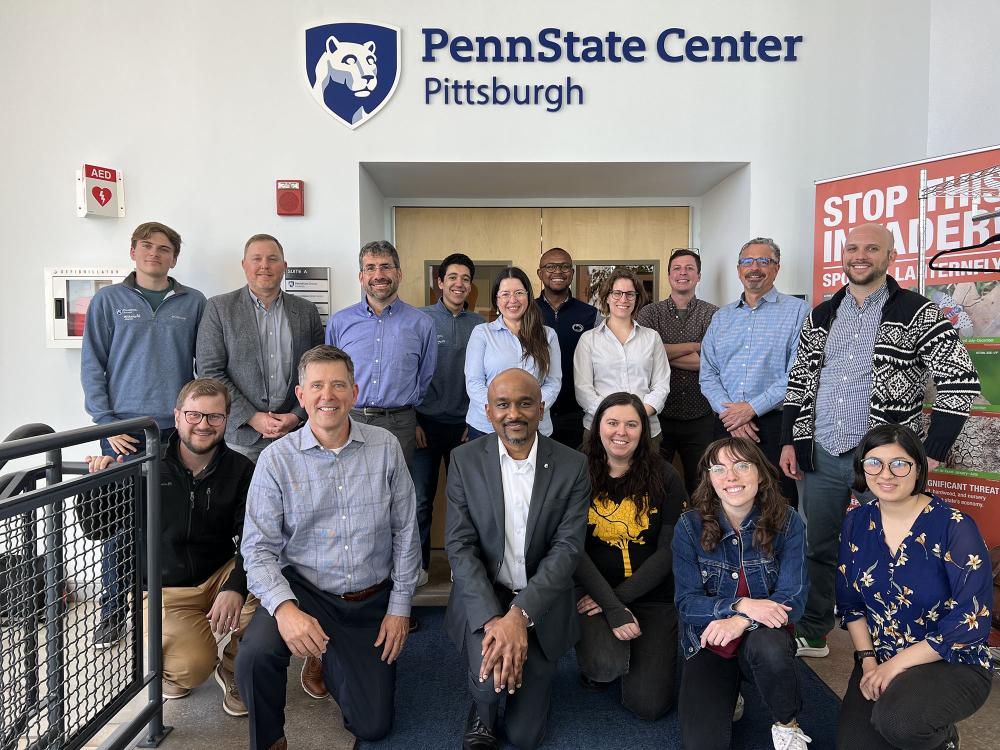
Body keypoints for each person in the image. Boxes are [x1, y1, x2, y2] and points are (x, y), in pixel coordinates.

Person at [780, 222, 981, 659]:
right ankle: (815, 629)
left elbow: (960, 381)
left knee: (894, 550)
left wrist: (933, 450)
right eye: (853, 248)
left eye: (872, 248)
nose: (860, 255)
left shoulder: (918, 311)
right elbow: (799, 382)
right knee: (818, 546)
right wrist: (791, 440)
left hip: (885, 459)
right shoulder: (821, 315)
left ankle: (891, 639)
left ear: (891, 256)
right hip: (823, 449)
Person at [236, 346, 420, 750]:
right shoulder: (275, 460)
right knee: (255, 656)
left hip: (368, 599)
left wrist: (400, 607)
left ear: (354, 392)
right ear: (300, 397)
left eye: (338, 385)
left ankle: (328, 657)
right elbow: (258, 550)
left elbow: (406, 531)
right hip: (306, 592)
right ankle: (270, 741)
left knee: (373, 726)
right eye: (316, 386)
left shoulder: (385, 446)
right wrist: (285, 611)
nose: (328, 395)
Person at [77, 378, 256, 716]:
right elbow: (96, 530)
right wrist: (95, 485)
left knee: (269, 581)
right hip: (163, 588)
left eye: (214, 417)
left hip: (217, 574)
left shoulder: (241, 468)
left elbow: (252, 537)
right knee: (191, 668)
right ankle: (176, 651)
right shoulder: (143, 464)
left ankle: (234, 668)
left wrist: (235, 586)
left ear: (226, 420)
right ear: (176, 417)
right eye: (194, 415)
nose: (203, 424)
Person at [445, 368, 590, 750]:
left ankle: (520, 680)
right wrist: (496, 620)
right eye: (503, 404)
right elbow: (460, 546)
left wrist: (519, 616)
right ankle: (482, 707)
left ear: (541, 409)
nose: (515, 413)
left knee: (524, 738)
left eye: (525, 403)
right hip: (486, 599)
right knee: (490, 690)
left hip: (539, 604)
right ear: (488, 411)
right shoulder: (464, 460)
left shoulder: (573, 465)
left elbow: (567, 550)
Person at [81, 220, 206, 647]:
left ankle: (170, 605)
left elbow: (203, 367)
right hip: (125, 432)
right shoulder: (108, 300)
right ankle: (113, 612)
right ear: (133, 251)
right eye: (148, 246)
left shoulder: (193, 302)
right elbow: (92, 365)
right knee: (119, 523)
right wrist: (106, 423)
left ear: (175, 257)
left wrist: (199, 419)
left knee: (175, 518)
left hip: (179, 429)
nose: (156, 253)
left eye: (165, 247)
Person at [835, 424, 993, 750]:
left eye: (899, 463)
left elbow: (970, 624)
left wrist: (894, 665)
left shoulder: (955, 526)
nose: (885, 474)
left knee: (899, 723)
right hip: (878, 657)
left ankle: (943, 740)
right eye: (874, 463)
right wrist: (868, 661)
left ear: (918, 468)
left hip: (950, 661)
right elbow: (850, 603)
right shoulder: (856, 522)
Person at [673, 437, 811, 750]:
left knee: (770, 650)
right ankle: (730, 690)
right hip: (710, 642)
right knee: (700, 744)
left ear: (760, 473)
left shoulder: (788, 521)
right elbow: (687, 604)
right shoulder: (689, 526)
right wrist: (740, 605)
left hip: (764, 639)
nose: (730, 476)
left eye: (741, 465)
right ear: (709, 477)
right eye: (718, 468)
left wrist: (741, 621)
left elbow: (795, 597)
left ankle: (787, 724)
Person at [574, 392, 685, 720]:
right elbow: (571, 548)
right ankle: (605, 657)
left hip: (653, 596)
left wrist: (619, 601)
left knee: (649, 706)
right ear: (598, 428)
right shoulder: (576, 471)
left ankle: (641, 655)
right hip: (594, 593)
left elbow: (669, 551)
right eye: (612, 423)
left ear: (644, 430)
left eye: (631, 424)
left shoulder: (666, 476)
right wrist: (609, 604)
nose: (620, 432)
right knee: (604, 667)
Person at [196, 233, 324, 462]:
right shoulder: (219, 308)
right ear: (244, 265)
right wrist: (252, 417)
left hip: (295, 434)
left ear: (284, 266)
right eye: (256, 259)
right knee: (242, 498)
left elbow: (317, 371)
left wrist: (296, 416)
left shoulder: (307, 311)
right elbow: (210, 373)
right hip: (242, 437)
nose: (264, 265)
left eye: (272, 259)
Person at [700, 237, 809, 506]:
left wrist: (750, 408)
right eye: (747, 261)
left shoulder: (799, 312)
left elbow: (799, 373)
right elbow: (708, 374)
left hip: (775, 427)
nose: (755, 267)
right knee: (725, 500)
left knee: (777, 503)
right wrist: (733, 415)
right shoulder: (721, 317)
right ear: (739, 270)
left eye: (764, 261)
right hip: (727, 425)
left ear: (776, 268)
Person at [325, 240, 437, 469]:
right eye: (371, 268)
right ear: (361, 276)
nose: (379, 274)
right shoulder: (339, 322)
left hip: (400, 424)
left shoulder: (422, 324)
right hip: (350, 419)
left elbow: (425, 377)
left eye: (386, 267)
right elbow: (330, 374)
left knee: (395, 492)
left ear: (399, 274)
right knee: (349, 489)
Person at [412, 253, 486, 585]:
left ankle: (462, 565)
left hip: (464, 427)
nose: (459, 284)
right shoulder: (419, 320)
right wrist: (412, 420)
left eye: (465, 278)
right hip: (424, 425)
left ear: (471, 286)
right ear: (439, 282)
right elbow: (407, 373)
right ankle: (419, 567)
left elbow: (485, 379)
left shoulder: (480, 326)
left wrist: (474, 423)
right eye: (452, 277)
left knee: (465, 500)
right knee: (420, 500)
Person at [636, 249, 718, 495]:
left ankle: (702, 532)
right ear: (669, 275)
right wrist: (695, 347)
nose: (683, 273)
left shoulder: (714, 314)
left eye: (689, 268)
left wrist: (662, 352)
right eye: (677, 268)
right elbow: (646, 357)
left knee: (702, 485)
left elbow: (712, 362)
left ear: (699, 276)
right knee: (652, 482)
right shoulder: (649, 313)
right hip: (657, 415)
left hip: (701, 415)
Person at [573, 269, 671, 448]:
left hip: (646, 430)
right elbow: (583, 390)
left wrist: (638, 415)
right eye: (617, 293)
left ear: (637, 298)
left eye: (629, 294)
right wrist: (613, 419)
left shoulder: (652, 338)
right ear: (607, 297)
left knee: (646, 476)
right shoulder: (589, 339)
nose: (623, 299)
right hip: (599, 430)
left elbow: (661, 385)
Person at [465, 267, 562, 439]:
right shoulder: (482, 333)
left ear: (528, 296)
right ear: (496, 299)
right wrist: (503, 411)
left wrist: (527, 410)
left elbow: (553, 383)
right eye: (505, 294)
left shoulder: (548, 335)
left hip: (535, 427)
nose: (513, 300)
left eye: (519, 293)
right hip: (487, 428)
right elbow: (474, 383)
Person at [535, 247, 598, 448]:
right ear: (540, 273)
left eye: (564, 267)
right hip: (536, 412)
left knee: (575, 474)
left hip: (576, 413)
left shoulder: (590, 315)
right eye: (551, 266)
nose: (558, 272)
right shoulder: (527, 311)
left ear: (572, 272)